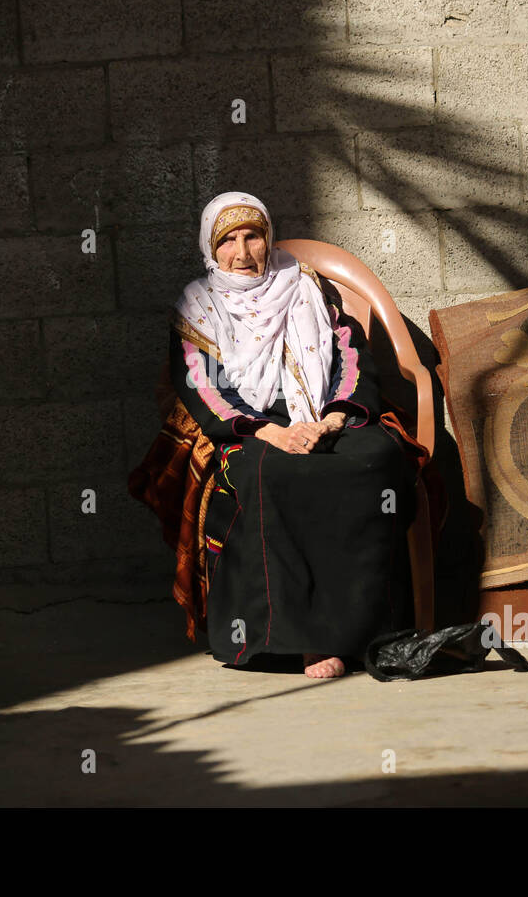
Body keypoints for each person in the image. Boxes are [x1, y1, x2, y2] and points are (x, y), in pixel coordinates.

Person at [170, 191, 416, 679]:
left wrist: (335, 418)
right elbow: (204, 389)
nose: (242, 254)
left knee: (375, 460)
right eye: (229, 241)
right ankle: (306, 640)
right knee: (279, 474)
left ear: (269, 237)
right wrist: (270, 433)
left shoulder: (306, 286)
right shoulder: (197, 306)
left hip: (324, 411)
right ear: (210, 248)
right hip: (250, 425)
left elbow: (350, 355)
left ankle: (373, 629)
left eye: (253, 236)